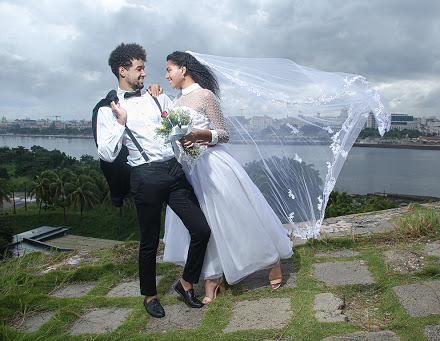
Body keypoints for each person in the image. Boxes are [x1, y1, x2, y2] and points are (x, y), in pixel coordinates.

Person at [155, 51, 294, 304]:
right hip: (190, 171)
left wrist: (199, 134)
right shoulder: (175, 102)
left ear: (183, 69)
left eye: (169, 70)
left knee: (236, 218)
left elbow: (224, 133)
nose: (166, 75)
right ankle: (213, 277)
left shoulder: (205, 95)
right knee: (205, 225)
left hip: (213, 166)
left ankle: (271, 261)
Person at [96, 43, 211, 318]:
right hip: (144, 177)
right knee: (148, 241)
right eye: (139, 68)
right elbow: (106, 154)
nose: (145, 74)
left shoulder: (157, 97)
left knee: (201, 229)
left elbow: (176, 128)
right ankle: (150, 296)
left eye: (144, 68)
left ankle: (185, 283)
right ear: (123, 71)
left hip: (173, 172)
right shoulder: (108, 109)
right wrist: (121, 122)